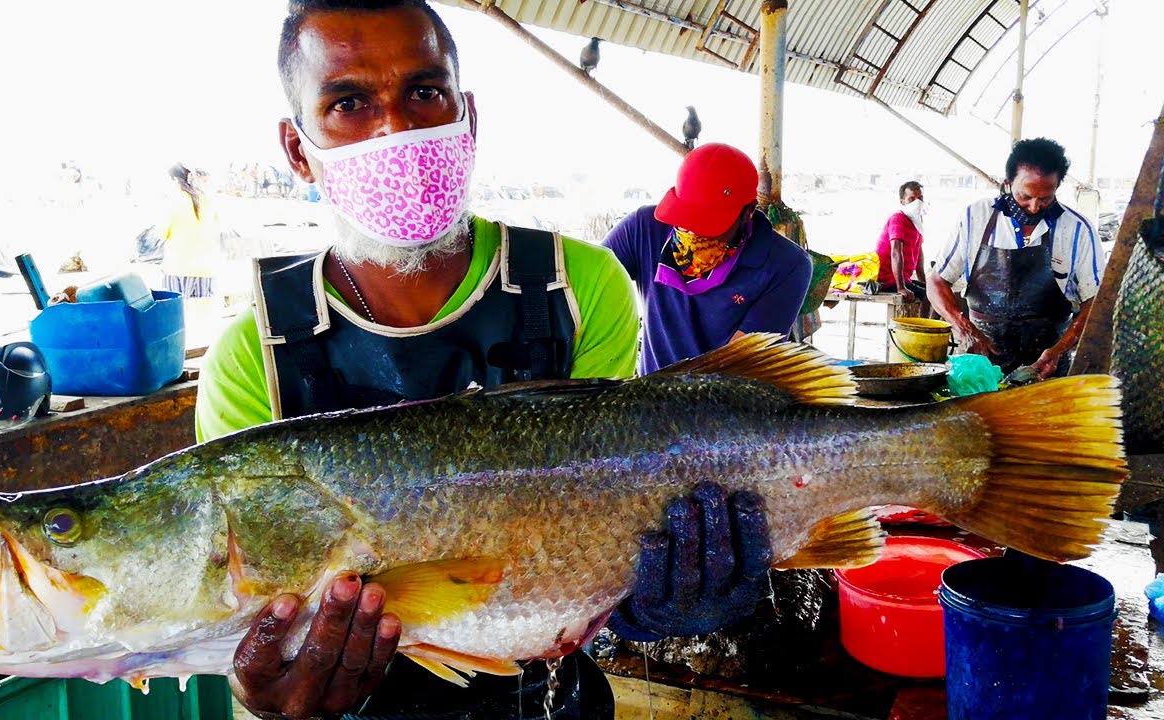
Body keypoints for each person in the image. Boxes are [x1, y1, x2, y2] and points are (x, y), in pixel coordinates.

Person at [194, 3, 774, 719]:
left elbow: (614, 511)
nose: (396, 129)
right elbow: (239, 620)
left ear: (467, 116)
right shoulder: (253, 352)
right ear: (297, 147)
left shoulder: (581, 287)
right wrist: (265, 695)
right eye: (347, 102)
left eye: (424, 92)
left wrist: (652, 598)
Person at [602, 143, 812, 374]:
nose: (691, 231)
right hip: (651, 396)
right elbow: (592, 290)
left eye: (707, 223)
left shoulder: (788, 265)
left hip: (727, 399)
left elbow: (741, 365)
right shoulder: (643, 229)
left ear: (749, 211)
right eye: (685, 217)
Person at [927, 138, 1103, 377]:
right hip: (979, 364)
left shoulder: (1078, 229)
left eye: (1045, 199)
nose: (1034, 207)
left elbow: (1096, 303)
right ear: (1008, 184)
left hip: (1046, 367)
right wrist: (964, 329)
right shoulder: (974, 217)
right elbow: (937, 281)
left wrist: (1060, 350)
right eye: (1025, 196)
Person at [161, 163, 220, 299]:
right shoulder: (206, 199)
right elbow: (216, 229)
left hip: (178, 269)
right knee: (202, 317)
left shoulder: (174, 200)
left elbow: (162, 233)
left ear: (174, 180)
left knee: (178, 316)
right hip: (206, 271)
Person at [875, 180, 929, 316]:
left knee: (934, 291)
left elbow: (919, 254)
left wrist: (923, 281)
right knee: (930, 297)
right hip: (887, 279)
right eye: (911, 199)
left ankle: (925, 326)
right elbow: (895, 253)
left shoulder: (916, 221)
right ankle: (922, 328)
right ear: (902, 201)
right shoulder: (898, 218)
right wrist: (901, 288)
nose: (917, 202)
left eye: (920, 198)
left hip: (902, 279)